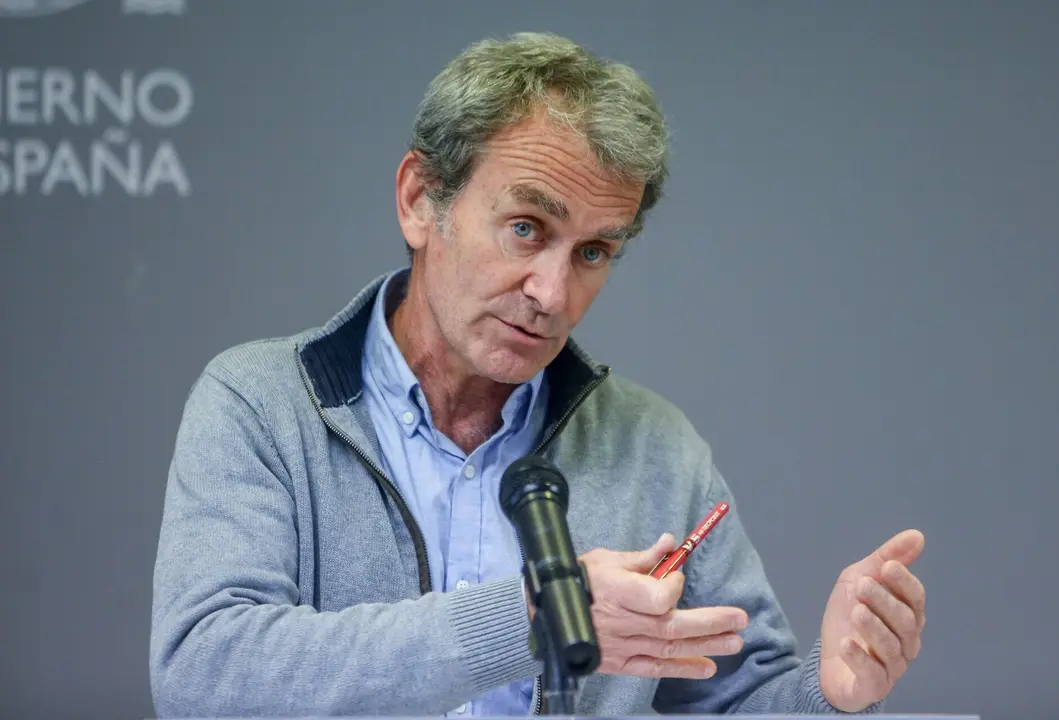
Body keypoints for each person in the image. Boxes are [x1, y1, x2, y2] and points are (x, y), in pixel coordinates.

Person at [150, 32, 927, 718]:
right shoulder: (261, 404)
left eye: (593, 253)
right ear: (421, 201)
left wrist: (832, 695)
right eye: (527, 228)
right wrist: (531, 617)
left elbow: (739, 703)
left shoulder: (654, 449)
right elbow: (204, 673)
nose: (552, 295)